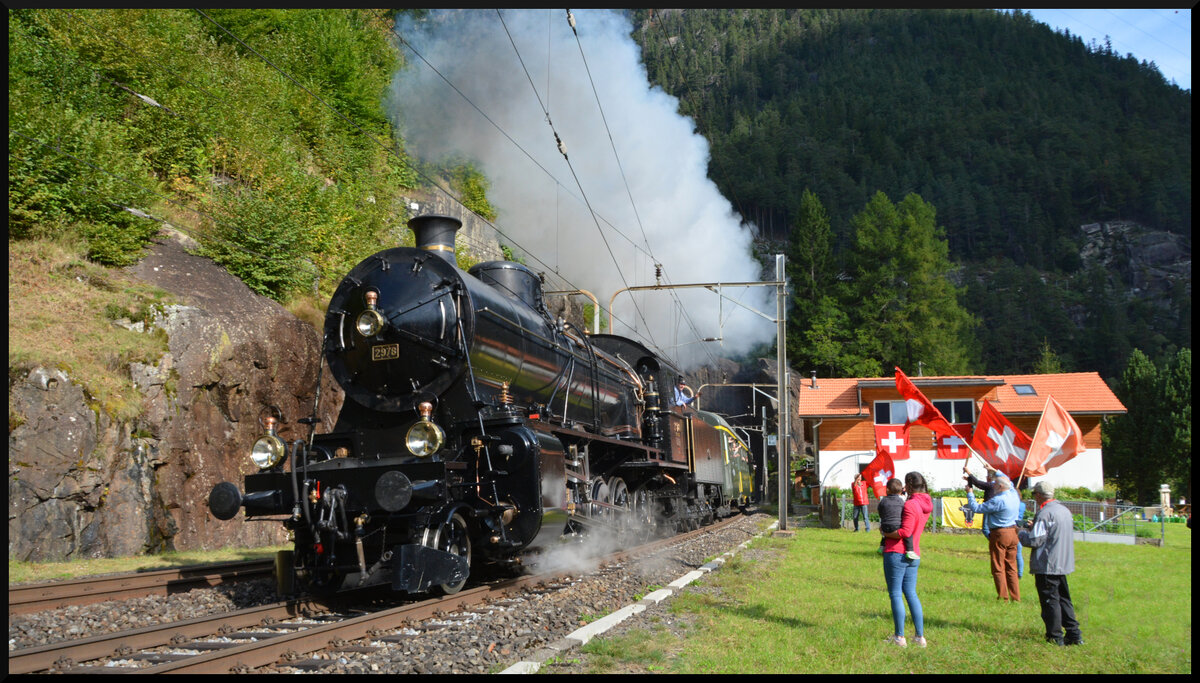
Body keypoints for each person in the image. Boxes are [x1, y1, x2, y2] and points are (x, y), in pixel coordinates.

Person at [1019, 481, 1083, 646]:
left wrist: (1020, 533)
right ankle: (1074, 635)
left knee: (1050, 602)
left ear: (1039, 495)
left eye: (1034, 494)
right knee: (1064, 600)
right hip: (1063, 562)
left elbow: (1035, 540)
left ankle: (1055, 637)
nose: (1034, 497)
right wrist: (1035, 527)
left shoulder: (1044, 513)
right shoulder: (1064, 510)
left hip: (1047, 564)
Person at [880, 471, 933, 648]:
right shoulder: (925, 503)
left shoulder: (910, 504)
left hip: (897, 552)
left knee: (895, 594)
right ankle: (919, 637)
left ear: (909, 485)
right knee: (911, 593)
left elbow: (905, 532)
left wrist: (885, 533)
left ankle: (899, 637)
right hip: (914, 553)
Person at [964, 474, 1022, 601]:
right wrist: (993, 469)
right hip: (1013, 532)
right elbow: (1009, 482)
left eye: (995, 484)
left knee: (998, 566)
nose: (993, 486)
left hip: (1000, 533)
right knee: (1011, 567)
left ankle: (1003, 597)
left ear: (1000, 486)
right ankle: (1016, 597)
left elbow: (976, 508)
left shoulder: (998, 500)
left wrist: (970, 494)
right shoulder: (1014, 495)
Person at [876, 479, 916, 560]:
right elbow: (903, 513)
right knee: (908, 534)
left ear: (887, 489)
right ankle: (910, 551)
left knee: (885, 534)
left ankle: (882, 546)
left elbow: (880, 511)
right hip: (896, 526)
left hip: (884, 525)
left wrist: (884, 519)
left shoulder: (883, 501)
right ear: (900, 491)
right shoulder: (901, 501)